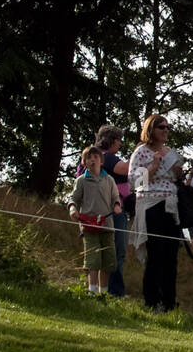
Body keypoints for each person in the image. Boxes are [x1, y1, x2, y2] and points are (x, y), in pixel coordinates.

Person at [128, 114, 184, 313]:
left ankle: (169, 302)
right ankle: (151, 302)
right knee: (156, 254)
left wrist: (178, 173)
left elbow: (176, 178)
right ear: (151, 129)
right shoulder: (141, 152)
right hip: (151, 205)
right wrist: (153, 167)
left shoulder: (171, 151)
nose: (166, 130)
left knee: (171, 256)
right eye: (161, 127)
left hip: (171, 205)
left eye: (168, 127)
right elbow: (133, 182)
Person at [68, 146, 122, 294]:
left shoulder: (109, 179)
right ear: (84, 162)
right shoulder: (81, 181)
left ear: (101, 161)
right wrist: (72, 208)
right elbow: (73, 198)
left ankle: (102, 293)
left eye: (96, 157)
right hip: (88, 225)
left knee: (108, 261)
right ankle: (91, 292)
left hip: (107, 225)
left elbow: (115, 197)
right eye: (89, 158)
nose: (92, 160)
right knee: (93, 259)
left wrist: (117, 205)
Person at [95, 124, 131, 298]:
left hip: (102, 209)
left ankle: (103, 290)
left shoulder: (96, 156)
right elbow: (126, 169)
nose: (120, 144)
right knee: (117, 251)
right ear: (110, 140)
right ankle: (115, 293)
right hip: (113, 210)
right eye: (119, 140)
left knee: (110, 251)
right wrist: (139, 151)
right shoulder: (106, 157)